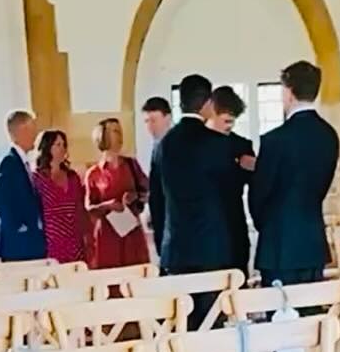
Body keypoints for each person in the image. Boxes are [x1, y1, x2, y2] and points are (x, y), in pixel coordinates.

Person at [248, 60, 340, 352]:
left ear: (287, 93)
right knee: (311, 317)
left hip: (279, 240)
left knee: (280, 319)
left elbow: (260, 194)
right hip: (312, 237)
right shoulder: (329, 136)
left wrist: (264, 224)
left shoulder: (275, 140)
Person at [152, 73, 238, 332]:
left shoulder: (163, 145)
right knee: (211, 326)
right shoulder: (218, 144)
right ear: (208, 103)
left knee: (182, 327)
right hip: (212, 248)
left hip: (176, 249)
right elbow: (230, 196)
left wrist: (162, 244)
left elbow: (157, 199)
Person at [84, 117, 150, 269]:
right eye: (115, 131)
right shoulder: (94, 173)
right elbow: (89, 207)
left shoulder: (132, 164)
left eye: (120, 131)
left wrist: (134, 196)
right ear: (103, 136)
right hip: (108, 234)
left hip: (131, 231)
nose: (120, 135)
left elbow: (146, 191)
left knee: (136, 273)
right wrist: (108, 205)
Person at [205, 84, 254, 277]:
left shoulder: (241, 145)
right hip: (204, 229)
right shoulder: (196, 145)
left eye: (232, 122)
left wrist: (255, 168)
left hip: (234, 224)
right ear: (211, 113)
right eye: (225, 120)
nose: (229, 126)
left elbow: (257, 184)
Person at [0, 109, 46, 262]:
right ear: (23, 131)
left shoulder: (23, 162)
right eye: (32, 129)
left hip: (30, 241)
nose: (35, 135)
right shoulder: (11, 162)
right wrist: (18, 225)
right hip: (19, 244)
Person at [32, 129, 87, 263]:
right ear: (47, 147)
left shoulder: (72, 176)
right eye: (58, 145)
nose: (62, 149)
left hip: (75, 239)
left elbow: (80, 207)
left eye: (64, 145)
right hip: (52, 242)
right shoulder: (38, 178)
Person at [140, 94, 172, 252]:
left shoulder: (174, 146)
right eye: (146, 121)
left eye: (154, 120)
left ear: (167, 118)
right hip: (160, 220)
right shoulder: (156, 146)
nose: (150, 126)